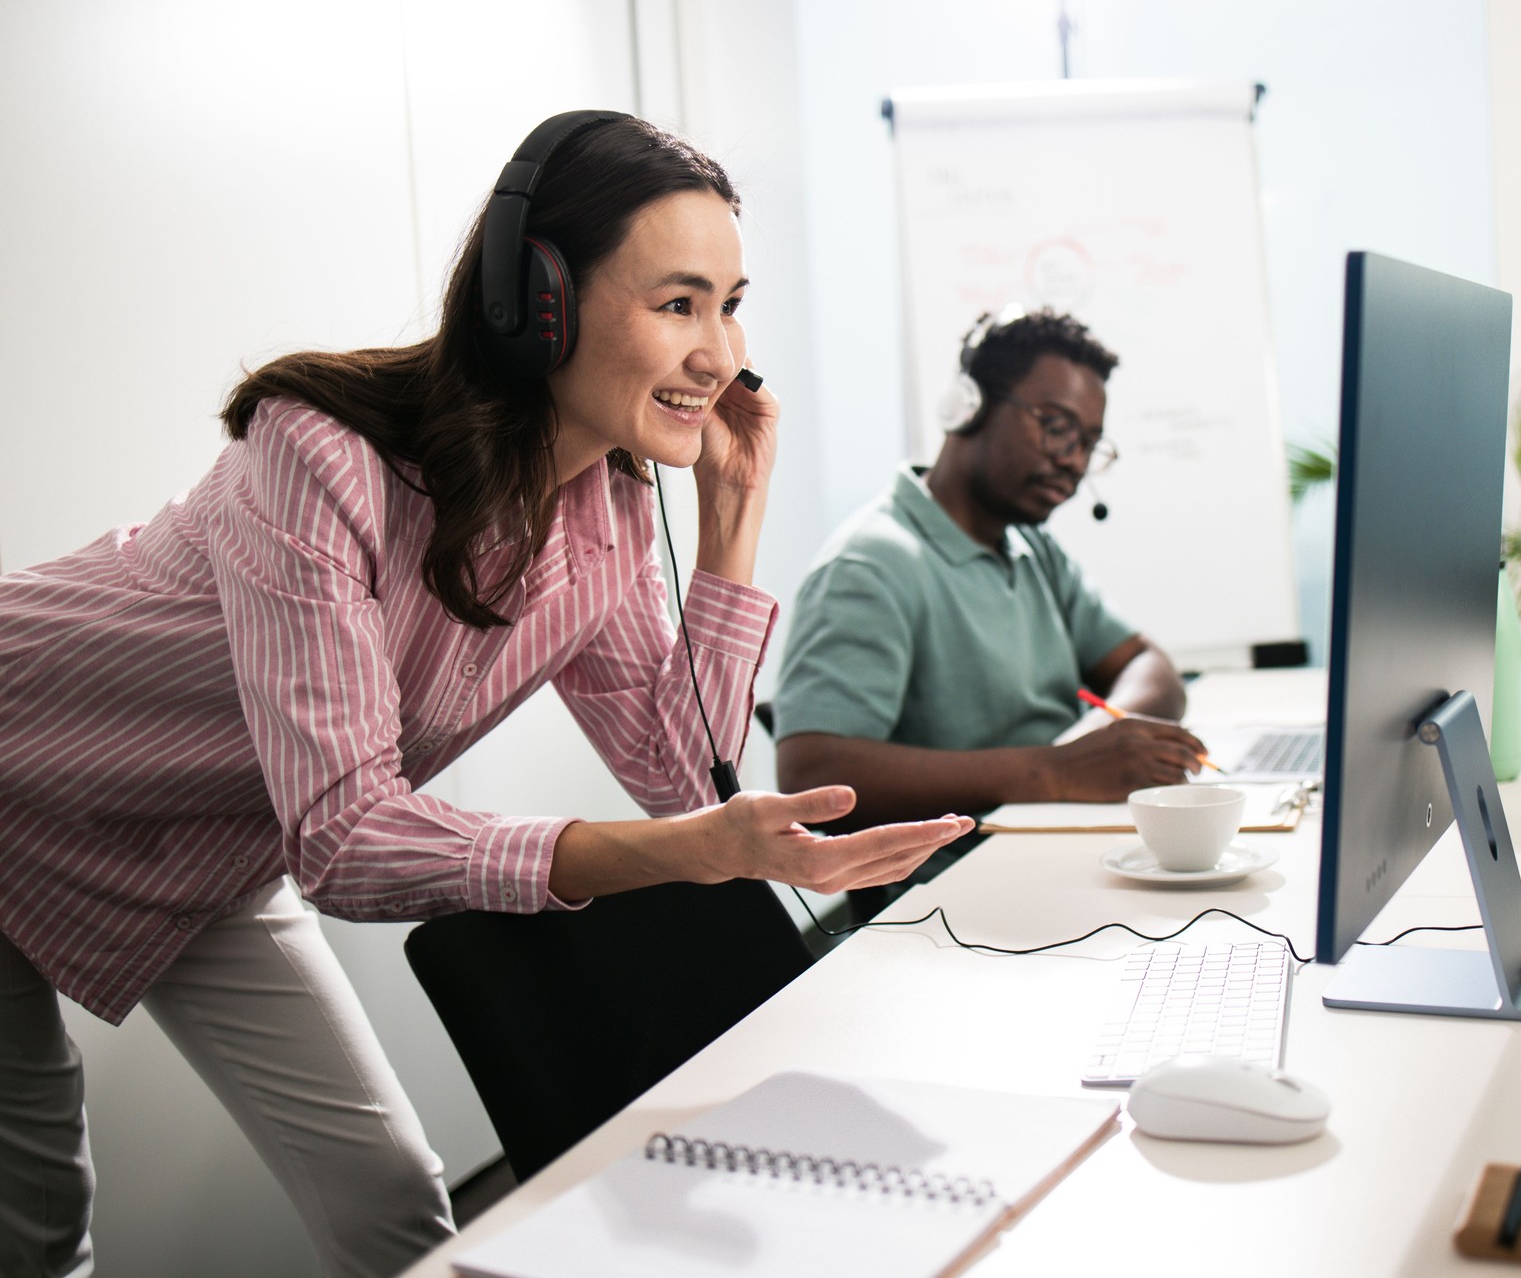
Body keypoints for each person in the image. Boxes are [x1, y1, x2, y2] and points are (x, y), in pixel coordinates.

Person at [0, 112, 971, 1278]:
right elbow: (351, 840)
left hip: (205, 846)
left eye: (730, 302)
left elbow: (679, 774)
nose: (719, 353)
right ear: (536, 302)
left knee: (389, 1202)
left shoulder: (607, 521)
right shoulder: (319, 456)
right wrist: (680, 854)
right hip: (19, 761)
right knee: (38, 1220)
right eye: (678, 304)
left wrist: (731, 524)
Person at [774, 307, 1206, 831]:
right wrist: (1055, 773)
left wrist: (1095, 747)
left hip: (1061, 836)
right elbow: (811, 773)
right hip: (962, 883)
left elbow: (1148, 666)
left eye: (1089, 445)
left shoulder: (1033, 547)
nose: (1073, 461)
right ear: (967, 407)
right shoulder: (871, 565)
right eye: (1057, 427)